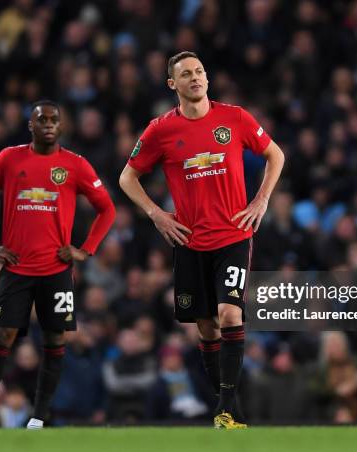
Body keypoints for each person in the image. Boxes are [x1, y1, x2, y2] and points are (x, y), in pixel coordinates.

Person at [119, 51, 285, 429]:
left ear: (207, 79)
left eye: (199, 72)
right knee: (206, 327)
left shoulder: (235, 118)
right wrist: (157, 214)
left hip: (233, 235)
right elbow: (127, 178)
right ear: (172, 84)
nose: (194, 78)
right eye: (185, 74)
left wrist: (261, 200)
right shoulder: (160, 130)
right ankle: (229, 410)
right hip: (190, 241)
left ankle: (226, 408)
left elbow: (276, 155)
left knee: (230, 314)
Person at [0, 100, 116, 429]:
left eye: (54, 120)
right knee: (2, 334)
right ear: (30, 126)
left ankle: (38, 418)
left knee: (55, 340)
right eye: (41, 119)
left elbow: (107, 209)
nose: (48, 124)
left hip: (57, 271)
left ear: (61, 127)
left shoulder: (75, 165)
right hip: (16, 268)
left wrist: (85, 250)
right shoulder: (9, 158)